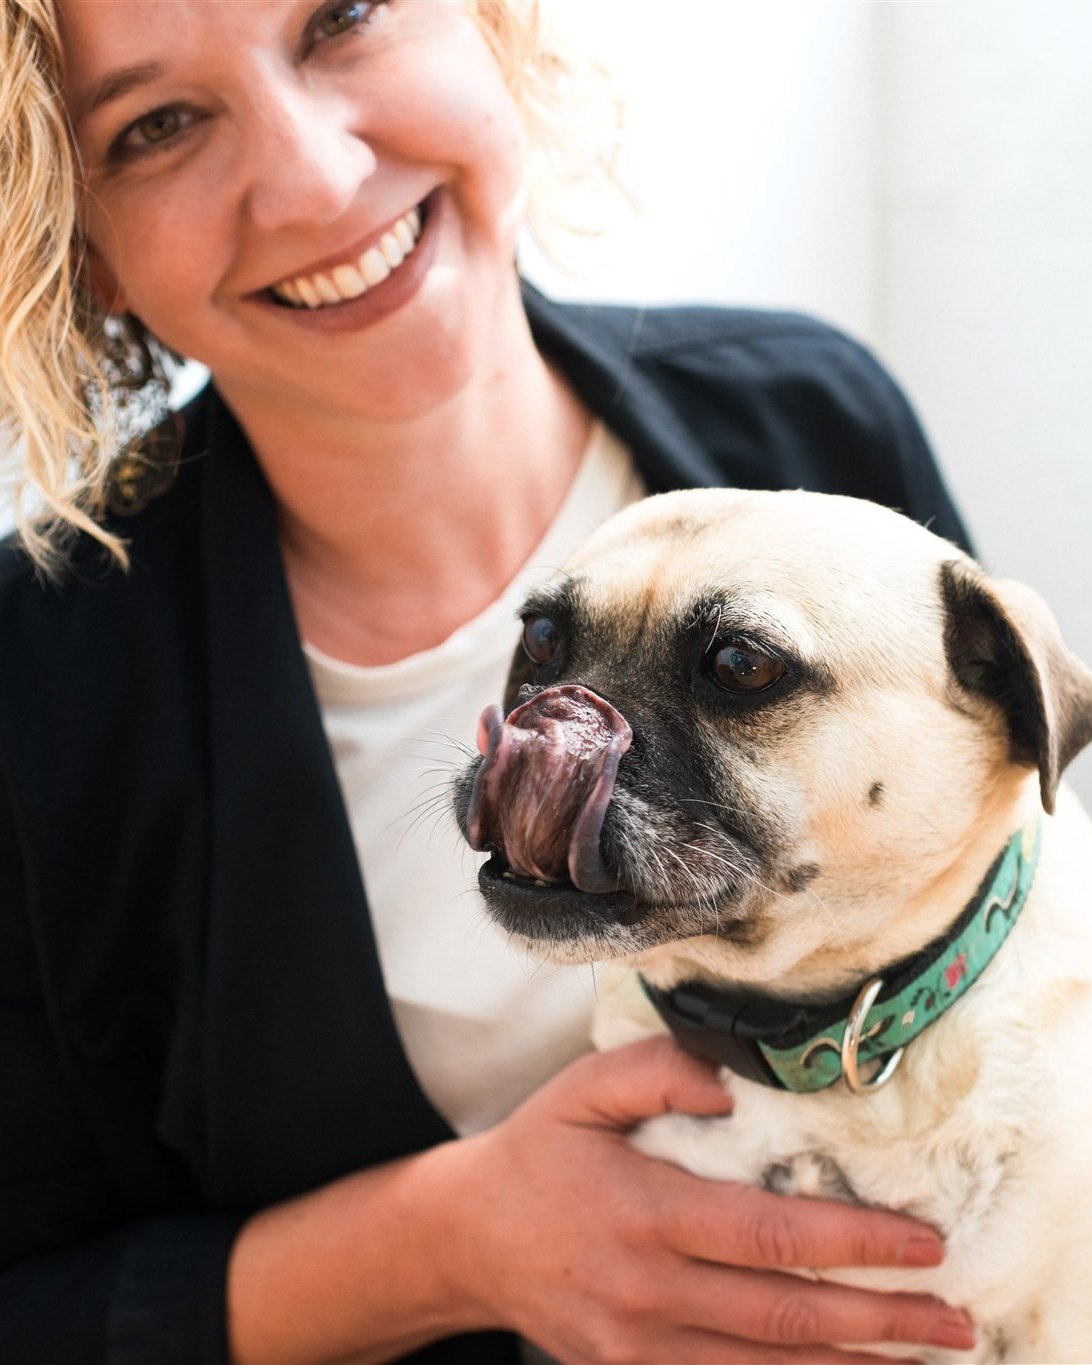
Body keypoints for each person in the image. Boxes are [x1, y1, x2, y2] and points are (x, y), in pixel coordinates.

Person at [0, 0, 979, 1361]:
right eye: (156, 125)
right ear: (81, 241)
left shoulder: (817, 423)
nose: (315, 179)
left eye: (342, 18)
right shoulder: (33, 684)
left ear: (490, 26)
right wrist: (451, 1245)